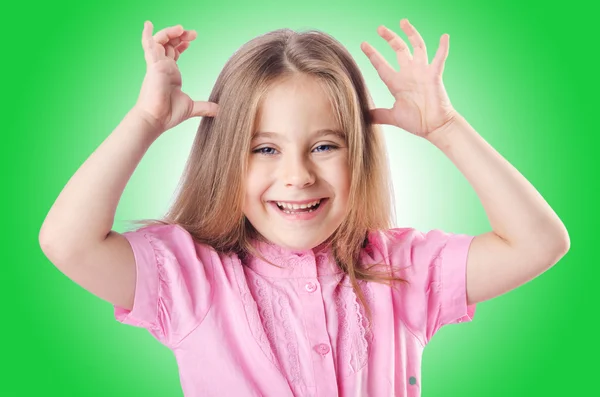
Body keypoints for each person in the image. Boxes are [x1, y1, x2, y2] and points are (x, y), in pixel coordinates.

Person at [39, 17, 570, 397]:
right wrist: (144, 123)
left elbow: (539, 243)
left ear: (359, 153)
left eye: (324, 146)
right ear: (226, 158)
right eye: (265, 148)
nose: (298, 176)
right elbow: (67, 243)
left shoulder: (401, 271)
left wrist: (447, 130)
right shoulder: (189, 276)